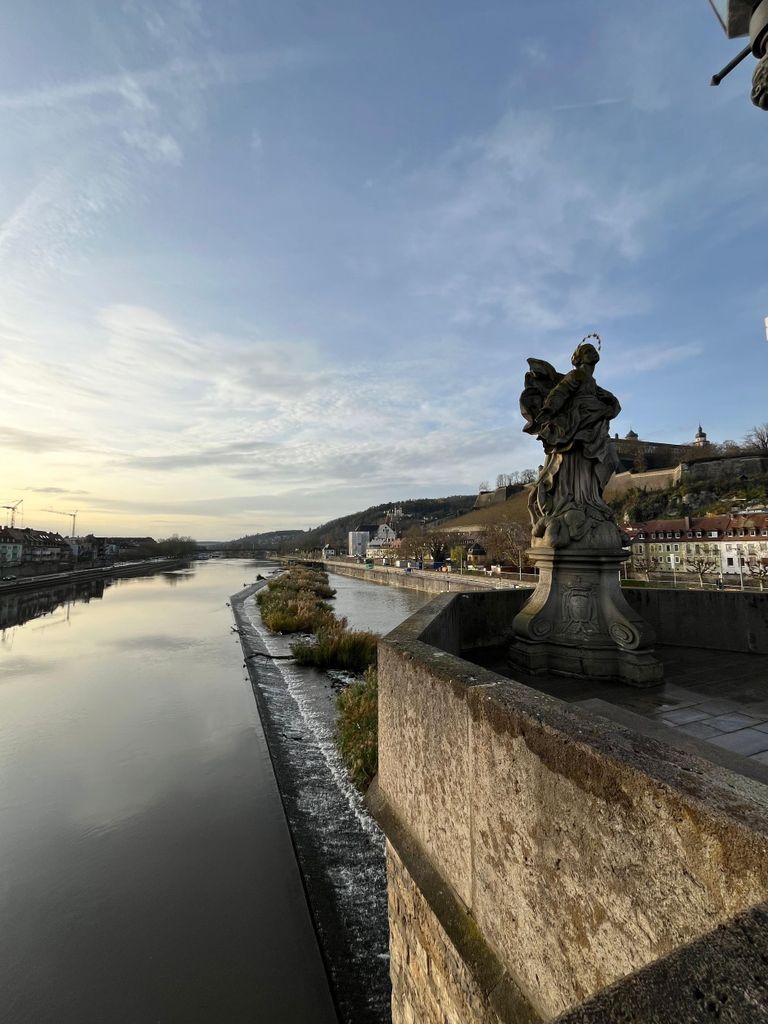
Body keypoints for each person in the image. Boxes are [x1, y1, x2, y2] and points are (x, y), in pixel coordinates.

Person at [520, 341, 623, 549]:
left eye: (593, 351)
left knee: (601, 462)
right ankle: (573, 502)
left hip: (591, 427)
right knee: (573, 462)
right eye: (587, 351)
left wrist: (609, 404)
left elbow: (612, 401)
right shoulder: (575, 376)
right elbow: (560, 393)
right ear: (579, 358)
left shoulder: (592, 383)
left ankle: (589, 501)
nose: (592, 353)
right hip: (576, 426)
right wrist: (548, 410)